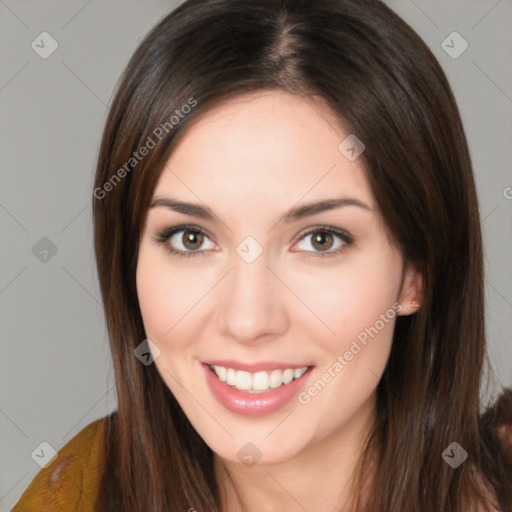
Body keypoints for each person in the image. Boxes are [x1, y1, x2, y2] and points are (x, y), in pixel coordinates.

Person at [12, 0, 512, 510]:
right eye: (191, 238)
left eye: (321, 239)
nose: (248, 320)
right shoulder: (76, 493)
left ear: (415, 272)